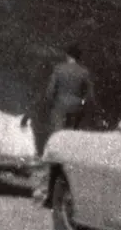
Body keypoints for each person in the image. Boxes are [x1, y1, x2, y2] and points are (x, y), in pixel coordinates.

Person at [32, 44, 94, 204]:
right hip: (76, 111)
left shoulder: (59, 69)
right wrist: (80, 106)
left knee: (55, 145)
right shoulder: (84, 72)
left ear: (68, 55)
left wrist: (53, 105)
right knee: (72, 145)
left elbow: (50, 92)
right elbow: (89, 96)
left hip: (59, 110)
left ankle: (47, 186)